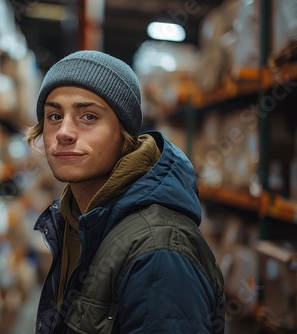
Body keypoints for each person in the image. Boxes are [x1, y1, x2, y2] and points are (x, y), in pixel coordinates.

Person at [25, 50, 225, 334]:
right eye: (54, 115)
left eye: (89, 116)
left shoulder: (159, 251)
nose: (64, 132)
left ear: (125, 134)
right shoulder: (75, 220)